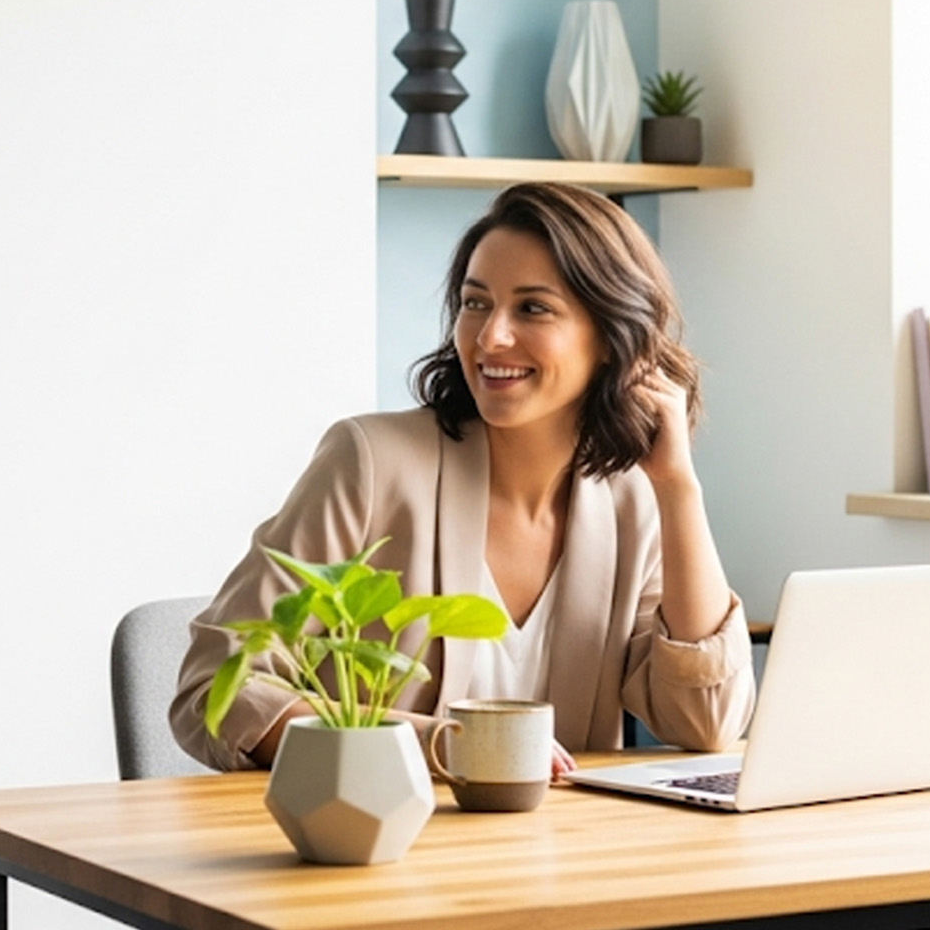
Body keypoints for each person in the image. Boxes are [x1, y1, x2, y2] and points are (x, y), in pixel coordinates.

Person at [170, 182, 756, 775]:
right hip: (379, 827)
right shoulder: (371, 463)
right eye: (476, 303)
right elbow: (216, 684)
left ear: (612, 337)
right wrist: (436, 744)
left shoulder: (632, 499)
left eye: (532, 308)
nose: (490, 336)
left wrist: (678, 487)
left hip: (562, 834)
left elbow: (706, 721)